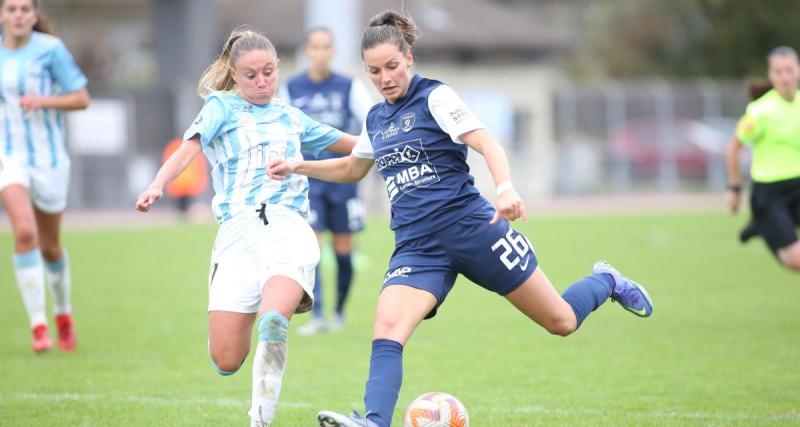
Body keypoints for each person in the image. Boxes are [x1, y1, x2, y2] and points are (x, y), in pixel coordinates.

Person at [268, 11, 653, 427]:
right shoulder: (376, 120)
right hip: (417, 247)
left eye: (392, 67)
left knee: (560, 321)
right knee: (387, 328)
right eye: (374, 71)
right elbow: (352, 169)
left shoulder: (436, 97)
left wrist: (504, 188)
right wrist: (297, 166)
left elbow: (486, 142)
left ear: (409, 58)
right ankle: (374, 421)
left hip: (473, 229)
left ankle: (606, 281)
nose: (385, 78)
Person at [135, 28, 356, 426]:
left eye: (269, 72)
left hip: (288, 229)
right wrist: (157, 184)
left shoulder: (292, 116)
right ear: (234, 75)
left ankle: (260, 420)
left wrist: (400, 133)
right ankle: (253, 305)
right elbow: (189, 148)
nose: (262, 82)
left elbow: (353, 144)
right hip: (237, 238)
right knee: (226, 360)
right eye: (251, 75)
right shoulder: (221, 106)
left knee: (273, 320)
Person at [0, 0, 90, 353]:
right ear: (2, 15)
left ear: (34, 15)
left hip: (50, 160)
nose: (18, 15)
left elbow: (82, 98)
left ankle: (63, 316)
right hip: (9, 159)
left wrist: (45, 101)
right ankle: (39, 326)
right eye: (11, 9)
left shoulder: (50, 50)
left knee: (51, 246)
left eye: (25, 9)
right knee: (24, 230)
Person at [280, 27, 374, 335]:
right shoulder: (291, 88)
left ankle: (339, 313)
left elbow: (371, 120)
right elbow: (280, 129)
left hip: (344, 177)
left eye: (326, 47)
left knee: (344, 248)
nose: (320, 52)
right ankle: (318, 314)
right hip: (309, 178)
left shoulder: (349, 86)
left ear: (333, 51)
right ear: (306, 51)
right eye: (315, 47)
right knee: (313, 245)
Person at [727, 46, 800, 271]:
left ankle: (762, 226)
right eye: (778, 72)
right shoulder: (760, 111)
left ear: (798, 70)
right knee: (795, 262)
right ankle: (761, 222)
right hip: (770, 195)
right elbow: (733, 148)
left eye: (789, 70)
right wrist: (735, 188)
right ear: (771, 75)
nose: (785, 77)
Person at [161, 136, 208, 219]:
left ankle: (183, 219)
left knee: (183, 208)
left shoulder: (175, 146)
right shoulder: (190, 146)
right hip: (184, 184)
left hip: (183, 184)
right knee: (182, 208)